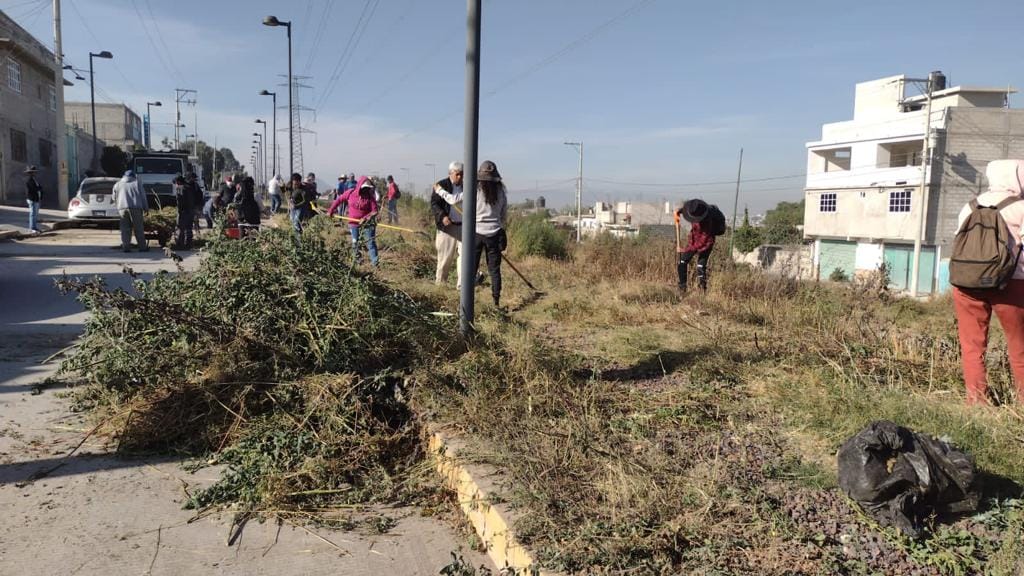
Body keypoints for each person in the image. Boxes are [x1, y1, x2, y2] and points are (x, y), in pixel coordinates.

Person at [952, 159, 1024, 405]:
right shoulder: (1021, 208)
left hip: (967, 283)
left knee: (972, 346)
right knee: (1020, 347)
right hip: (1010, 284)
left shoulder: (969, 206)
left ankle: (977, 402)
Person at [328, 176, 379, 266]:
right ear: (359, 186)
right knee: (355, 242)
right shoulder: (350, 193)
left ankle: (375, 263)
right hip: (354, 223)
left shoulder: (370, 197)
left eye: (368, 188)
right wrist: (331, 210)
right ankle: (357, 261)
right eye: (364, 188)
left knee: (370, 243)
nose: (366, 190)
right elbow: (339, 200)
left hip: (368, 224)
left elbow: (374, 211)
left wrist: (366, 218)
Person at [432, 162, 464, 286]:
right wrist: (442, 216)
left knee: (464, 259)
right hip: (447, 229)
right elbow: (434, 204)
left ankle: (462, 286)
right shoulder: (442, 185)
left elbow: (452, 199)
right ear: (450, 173)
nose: (460, 177)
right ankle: (441, 285)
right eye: (458, 174)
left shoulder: (468, 186)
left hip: (463, 227)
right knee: (445, 258)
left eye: (462, 174)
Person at [675, 199, 715, 292]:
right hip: (693, 241)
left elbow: (700, 243)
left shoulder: (707, 222)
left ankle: (702, 291)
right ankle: (682, 287)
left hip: (706, 244)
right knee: (682, 263)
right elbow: (684, 210)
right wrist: (677, 212)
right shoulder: (695, 210)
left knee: (700, 266)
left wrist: (684, 250)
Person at [112, 170, 149, 252]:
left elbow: (114, 198)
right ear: (133, 176)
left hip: (122, 208)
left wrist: (118, 207)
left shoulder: (117, 185)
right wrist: (146, 208)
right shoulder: (137, 183)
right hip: (136, 208)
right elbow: (143, 197)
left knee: (125, 229)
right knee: (138, 228)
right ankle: (142, 247)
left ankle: (126, 247)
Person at [173, 175, 194, 249]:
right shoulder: (189, 188)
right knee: (189, 228)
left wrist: (179, 211)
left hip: (184, 211)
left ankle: (180, 245)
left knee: (181, 228)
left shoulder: (180, 189)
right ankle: (189, 244)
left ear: (178, 182)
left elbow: (179, 201)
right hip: (191, 210)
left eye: (175, 183)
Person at [23, 166, 42, 235]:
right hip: (32, 199)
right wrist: (38, 188)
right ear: (30, 173)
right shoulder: (29, 180)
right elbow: (33, 189)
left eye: (35, 172)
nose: (35, 173)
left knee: (35, 214)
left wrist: (39, 190)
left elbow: (39, 187)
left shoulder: (34, 179)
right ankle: (32, 228)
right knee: (32, 214)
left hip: (36, 199)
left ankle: (34, 227)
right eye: (33, 172)